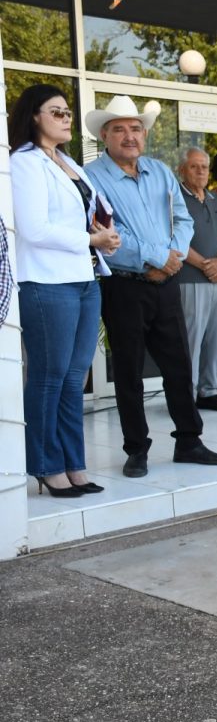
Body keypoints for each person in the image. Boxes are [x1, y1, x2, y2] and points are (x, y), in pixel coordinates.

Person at [84, 95, 217, 479]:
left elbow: (182, 219)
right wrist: (154, 257)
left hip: (167, 282)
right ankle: (137, 450)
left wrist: (174, 256)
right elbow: (105, 231)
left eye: (135, 128)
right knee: (129, 371)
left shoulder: (161, 171)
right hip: (125, 286)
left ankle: (189, 441)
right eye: (120, 129)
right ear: (105, 135)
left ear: (144, 134)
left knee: (179, 364)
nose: (129, 136)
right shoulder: (92, 177)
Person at [11, 84, 120, 496]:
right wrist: (90, 240)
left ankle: (74, 464)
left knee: (75, 377)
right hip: (46, 281)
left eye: (68, 112)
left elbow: (89, 213)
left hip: (84, 277)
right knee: (48, 376)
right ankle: (44, 465)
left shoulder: (68, 162)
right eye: (56, 112)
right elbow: (35, 229)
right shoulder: (24, 162)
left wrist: (105, 237)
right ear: (34, 116)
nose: (66, 118)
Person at [178, 147, 217, 412]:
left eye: (204, 166)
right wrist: (206, 266)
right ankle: (185, 395)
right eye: (194, 166)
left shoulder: (216, 199)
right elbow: (175, 240)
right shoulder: (175, 199)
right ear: (182, 170)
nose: (201, 171)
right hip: (190, 279)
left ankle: (210, 390)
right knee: (190, 339)